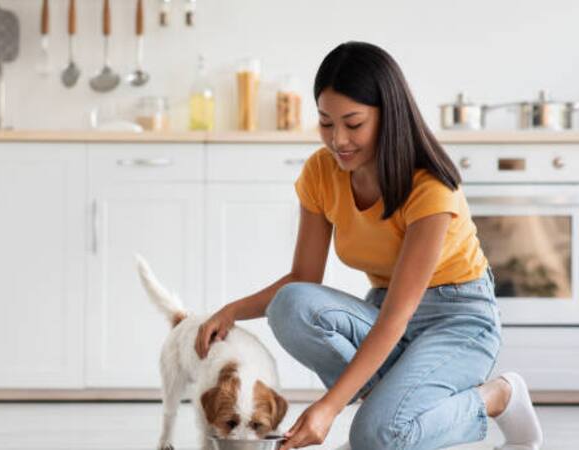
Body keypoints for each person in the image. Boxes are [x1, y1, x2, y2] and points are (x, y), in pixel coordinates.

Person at [194, 41, 544, 450]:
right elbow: (304, 279)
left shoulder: (429, 186)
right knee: (290, 304)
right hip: (383, 310)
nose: (337, 139)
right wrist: (231, 311)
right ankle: (392, 412)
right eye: (326, 123)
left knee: (375, 436)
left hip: (457, 320)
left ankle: (495, 397)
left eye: (353, 124)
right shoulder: (322, 173)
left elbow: (397, 318)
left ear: (387, 115)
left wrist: (328, 408)